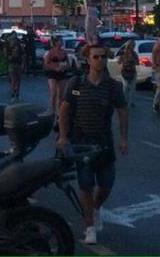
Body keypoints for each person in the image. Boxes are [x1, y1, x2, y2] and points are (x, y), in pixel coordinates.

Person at [56, 44, 129, 245]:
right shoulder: (77, 84)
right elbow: (64, 109)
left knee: (106, 184)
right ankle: (89, 227)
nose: (99, 61)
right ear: (88, 60)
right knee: (86, 185)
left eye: (103, 57)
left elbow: (123, 112)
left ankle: (96, 209)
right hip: (82, 142)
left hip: (104, 142)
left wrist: (123, 139)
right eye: (95, 57)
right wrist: (63, 136)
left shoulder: (113, 86)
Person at [44, 36, 70, 114]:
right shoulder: (51, 52)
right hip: (52, 73)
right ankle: (51, 109)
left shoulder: (64, 52)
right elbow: (46, 63)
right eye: (60, 41)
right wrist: (55, 68)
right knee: (54, 91)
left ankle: (59, 111)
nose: (62, 42)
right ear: (56, 42)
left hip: (62, 73)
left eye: (62, 40)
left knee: (61, 94)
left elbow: (68, 63)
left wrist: (64, 67)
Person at [118, 40, 138, 107]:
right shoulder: (123, 53)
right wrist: (123, 59)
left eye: (134, 46)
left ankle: (131, 101)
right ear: (128, 46)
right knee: (125, 86)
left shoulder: (134, 54)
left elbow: (137, 63)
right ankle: (124, 101)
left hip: (132, 72)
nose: (133, 47)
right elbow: (119, 62)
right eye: (132, 46)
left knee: (133, 87)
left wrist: (133, 60)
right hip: (125, 72)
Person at [6, 34, 25, 102]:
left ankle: (17, 94)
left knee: (18, 80)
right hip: (12, 64)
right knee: (13, 80)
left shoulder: (20, 47)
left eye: (14, 40)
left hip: (18, 64)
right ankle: (13, 94)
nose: (13, 41)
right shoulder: (9, 48)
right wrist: (14, 53)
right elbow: (8, 57)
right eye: (12, 40)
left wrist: (22, 65)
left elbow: (23, 56)